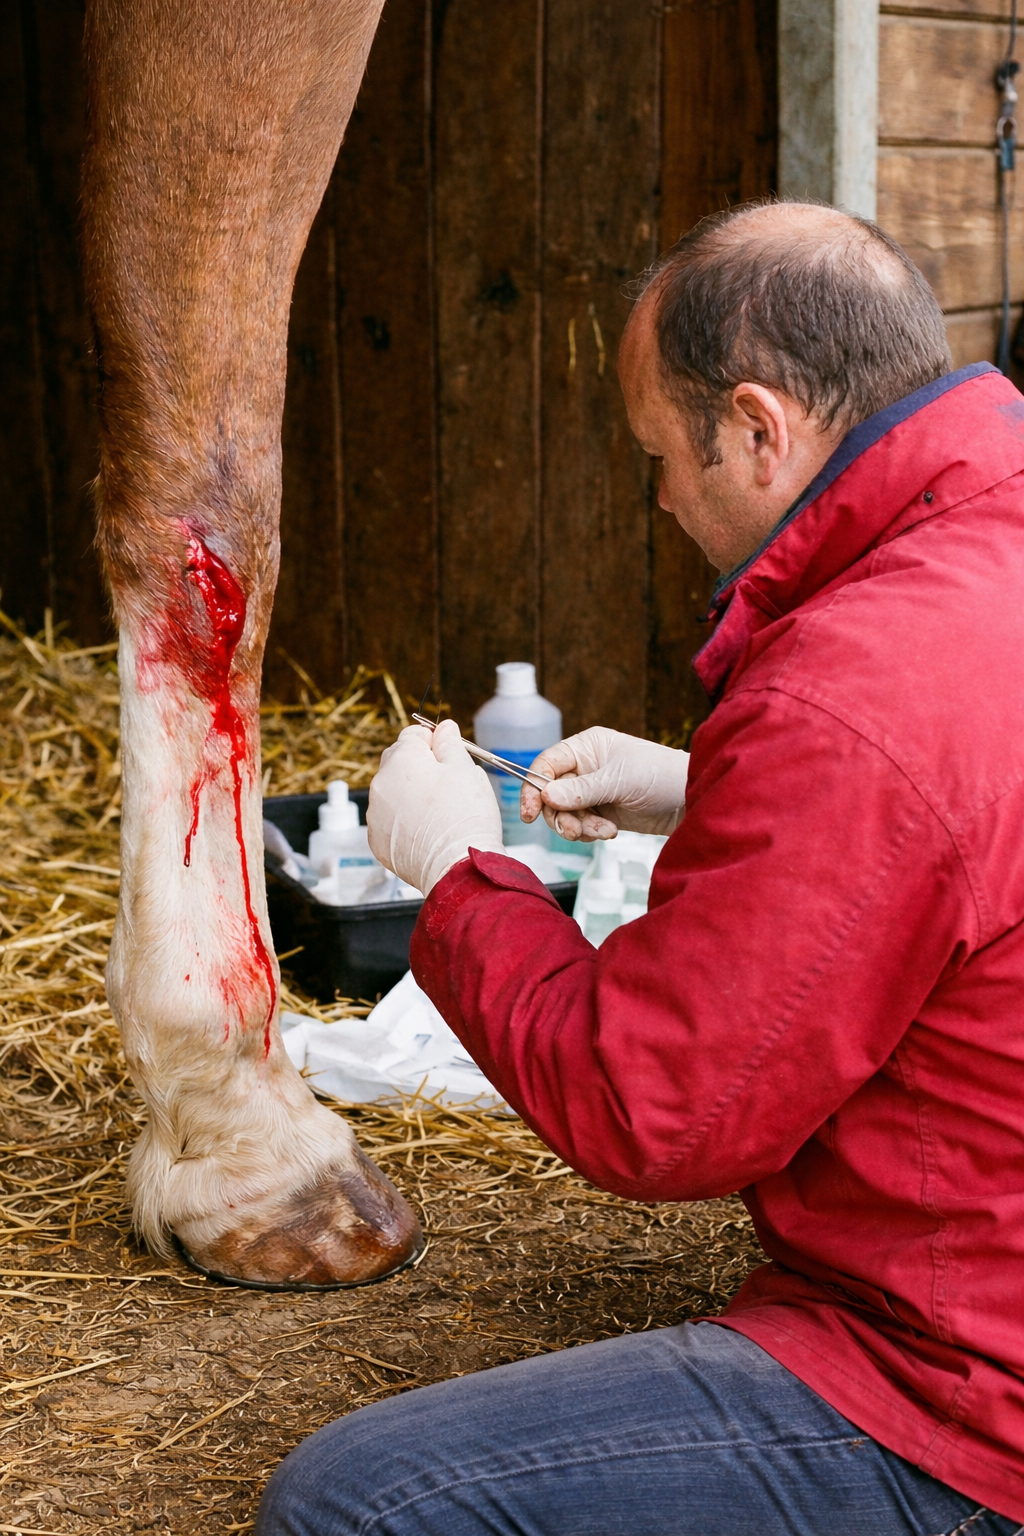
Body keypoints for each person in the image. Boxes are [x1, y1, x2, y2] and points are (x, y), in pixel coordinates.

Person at [256, 202, 1024, 1535]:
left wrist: (457, 875)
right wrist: (707, 782)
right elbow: (963, 812)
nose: (661, 496)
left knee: (356, 1505)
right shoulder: (986, 540)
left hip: (965, 1390)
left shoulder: (855, 691)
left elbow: (654, 1108)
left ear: (759, 428)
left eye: (661, 454)